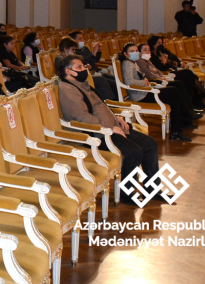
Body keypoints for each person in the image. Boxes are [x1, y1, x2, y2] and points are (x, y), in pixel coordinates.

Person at [56, 54, 167, 205]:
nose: (84, 69)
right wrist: (110, 128)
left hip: (109, 128)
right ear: (68, 71)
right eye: (79, 67)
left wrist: (115, 118)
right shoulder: (68, 89)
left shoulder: (82, 84)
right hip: (94, 134)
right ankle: (127, 195)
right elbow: (82, 117)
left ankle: (153, 190)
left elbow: (100, 105)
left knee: (150, 144)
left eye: (83, 66)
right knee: (133, 152)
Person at [118, 43, 197, 141]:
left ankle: (176, 131)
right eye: (131, 51)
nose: (135, 53)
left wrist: (146, 82)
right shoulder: (127, 64)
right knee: (174, 90)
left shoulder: (133, 62)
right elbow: (129, 82)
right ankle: (187, 114)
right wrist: (143, 82)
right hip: (140, 94)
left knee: (174, 100)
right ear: (126, 54)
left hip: (144, 90)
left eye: (136, 51)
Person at [147, 35, 205, 100]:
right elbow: (160, 69)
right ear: (153, 44)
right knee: (188, 75)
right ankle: (201, 94)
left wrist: (166, 61)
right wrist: (164, 62)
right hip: (165, 75)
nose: (161, 45)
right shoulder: (151, 56)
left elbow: (170, 62)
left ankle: (196, 99)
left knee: (190, 76)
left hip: (169, 71)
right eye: (159, 43)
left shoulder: (160, 53)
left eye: (161, 43)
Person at [58, 37, 116, 101]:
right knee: (100, 79)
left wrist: (84, 67)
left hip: (85, 75)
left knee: (107, 78)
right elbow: (66, 72)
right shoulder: (61, 60)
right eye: (72, 49)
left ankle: (114, 99)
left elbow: (81, 66)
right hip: (76, 79)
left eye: (75, 50)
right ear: (65, 49)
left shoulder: (70, 58)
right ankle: (111, 100)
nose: (74, 52)